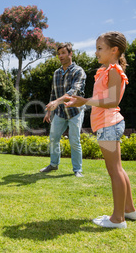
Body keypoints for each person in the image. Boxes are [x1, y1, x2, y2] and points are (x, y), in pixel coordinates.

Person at [65, 31, 136, 228]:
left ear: (114, 50)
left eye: (100, 48)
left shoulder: (114, 70)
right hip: (107, 124)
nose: (96, 52)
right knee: (118, 169)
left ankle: (118, 219)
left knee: (114, 170)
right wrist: (80, 101)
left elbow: (112, 100)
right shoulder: (106, 70)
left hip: (109, 124)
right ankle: (129, 210)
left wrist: (85, 101)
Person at [40, 43, 86, 177]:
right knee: (53, 138)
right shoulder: (56, 73)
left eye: (63, 53)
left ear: (70, 54)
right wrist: (49, 111)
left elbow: (74, 91)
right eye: (59, 54)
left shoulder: (79, 71)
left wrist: (58, 101)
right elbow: (53, 94)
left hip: (75, 112)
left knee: (74, 140)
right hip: (60, 113)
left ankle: (77, 169)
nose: (60, 56)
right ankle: (53, 164)